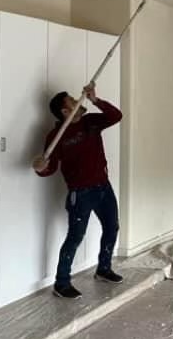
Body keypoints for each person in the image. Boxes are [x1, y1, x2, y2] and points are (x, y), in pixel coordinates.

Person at [32, 83, 123, 299]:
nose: (78, 101)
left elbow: (116, 116)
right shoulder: (56, 136)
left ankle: (104, 269)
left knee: (112, 227)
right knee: (75, 237)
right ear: (66, 111)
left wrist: (95, 100)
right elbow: (50, 167)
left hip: (103, 187)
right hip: (80, 194)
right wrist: (41, 168)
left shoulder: (90, 122)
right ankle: (61, 283)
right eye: (73, 101)